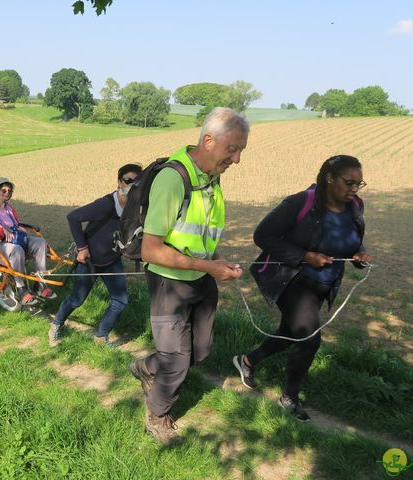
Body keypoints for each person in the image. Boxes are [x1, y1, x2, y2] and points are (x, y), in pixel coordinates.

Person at [128, 107, 248, 445]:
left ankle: (148, 367)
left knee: (200, 350)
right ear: (209, 141)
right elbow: (150, 250)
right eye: (232, 149)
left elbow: (195, 234)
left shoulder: (210, 175)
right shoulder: (173, 178)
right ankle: (157, 415)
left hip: (200, 277)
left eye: (241, 151)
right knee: (178, 361)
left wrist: (215, 260)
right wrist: (209, 266)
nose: (237, 159)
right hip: (169, 283)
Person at [233, 155, 373, 422]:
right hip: (292, 280)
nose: (355, 189)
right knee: (309, 338)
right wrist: (305, 255)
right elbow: (262, 235)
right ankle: (289, 397)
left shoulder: (355, 206)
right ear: (330, 178)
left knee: (290, 331)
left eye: (359, 183)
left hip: (324, 284)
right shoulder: (301, 203)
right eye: (349, 182)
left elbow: (353, 241)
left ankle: (247, 361)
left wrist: (360, 255)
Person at [48, 163, 143, 347]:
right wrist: (82, 248)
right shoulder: (106, 204)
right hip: (89, 262)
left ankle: (101, 336)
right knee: (76, 300)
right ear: (119, 182)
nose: (132, 185)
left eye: (136, 182)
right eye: (128, 180)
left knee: (120, 301)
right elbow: (73, 217)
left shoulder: (135, 209)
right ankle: (56, 325)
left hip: (111, 261)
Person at [0, 177, 56, 306]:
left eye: (9, 190)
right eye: (3, 190)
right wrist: (1, 232)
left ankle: (40, 284)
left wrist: (19, 228)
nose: (7, 193)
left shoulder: (9, 208)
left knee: (40, 243)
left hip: (15, 240)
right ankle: (20, 288)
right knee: (16, 250)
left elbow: (15, 224)